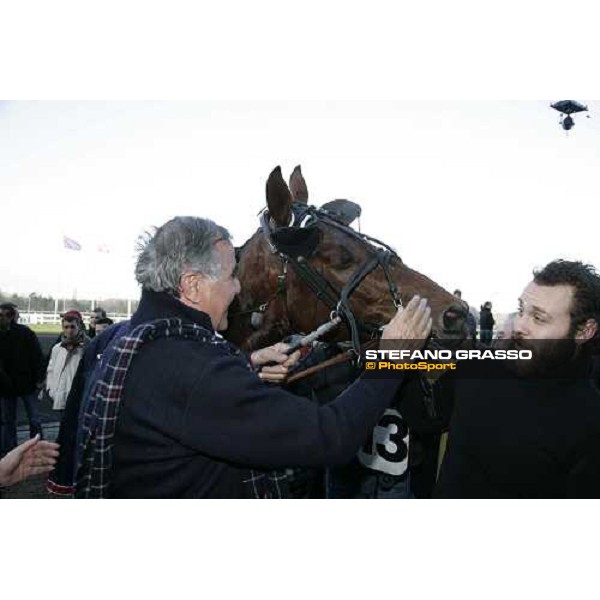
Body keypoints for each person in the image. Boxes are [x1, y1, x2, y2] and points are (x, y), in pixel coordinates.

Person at [74, 216, 432, 499]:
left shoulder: (124, 338)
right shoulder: (197, 371)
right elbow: (331, 436)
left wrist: (247, 366)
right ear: (192, 285)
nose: (239, 287)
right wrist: (393, 360)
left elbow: (178, 398)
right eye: (231, 276)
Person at [436, 260, 600, 498]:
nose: (519, 325)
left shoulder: (591, 423)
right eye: (522, 310)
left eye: (539, 318)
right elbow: (424, 419)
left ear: (584, 331)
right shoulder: (476, 366)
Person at [0, 303, 45, 455]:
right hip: (8, 385)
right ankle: (10, 450)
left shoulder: (26, 333)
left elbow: (38, 357)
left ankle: (36, 447)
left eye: (3, 315)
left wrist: (39, 378)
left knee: (33, 419)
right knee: (9, 421)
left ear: (11, 316)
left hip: (26, 383)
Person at [45, 311, 89, 415]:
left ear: (79, 327)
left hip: (79, 397)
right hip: (60, 395)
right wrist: (50, 388)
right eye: (66, 327)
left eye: (72, 327)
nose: (69, 330)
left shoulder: (87, 347)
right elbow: (51, 369)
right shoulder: (57, 348)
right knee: (63, 428)